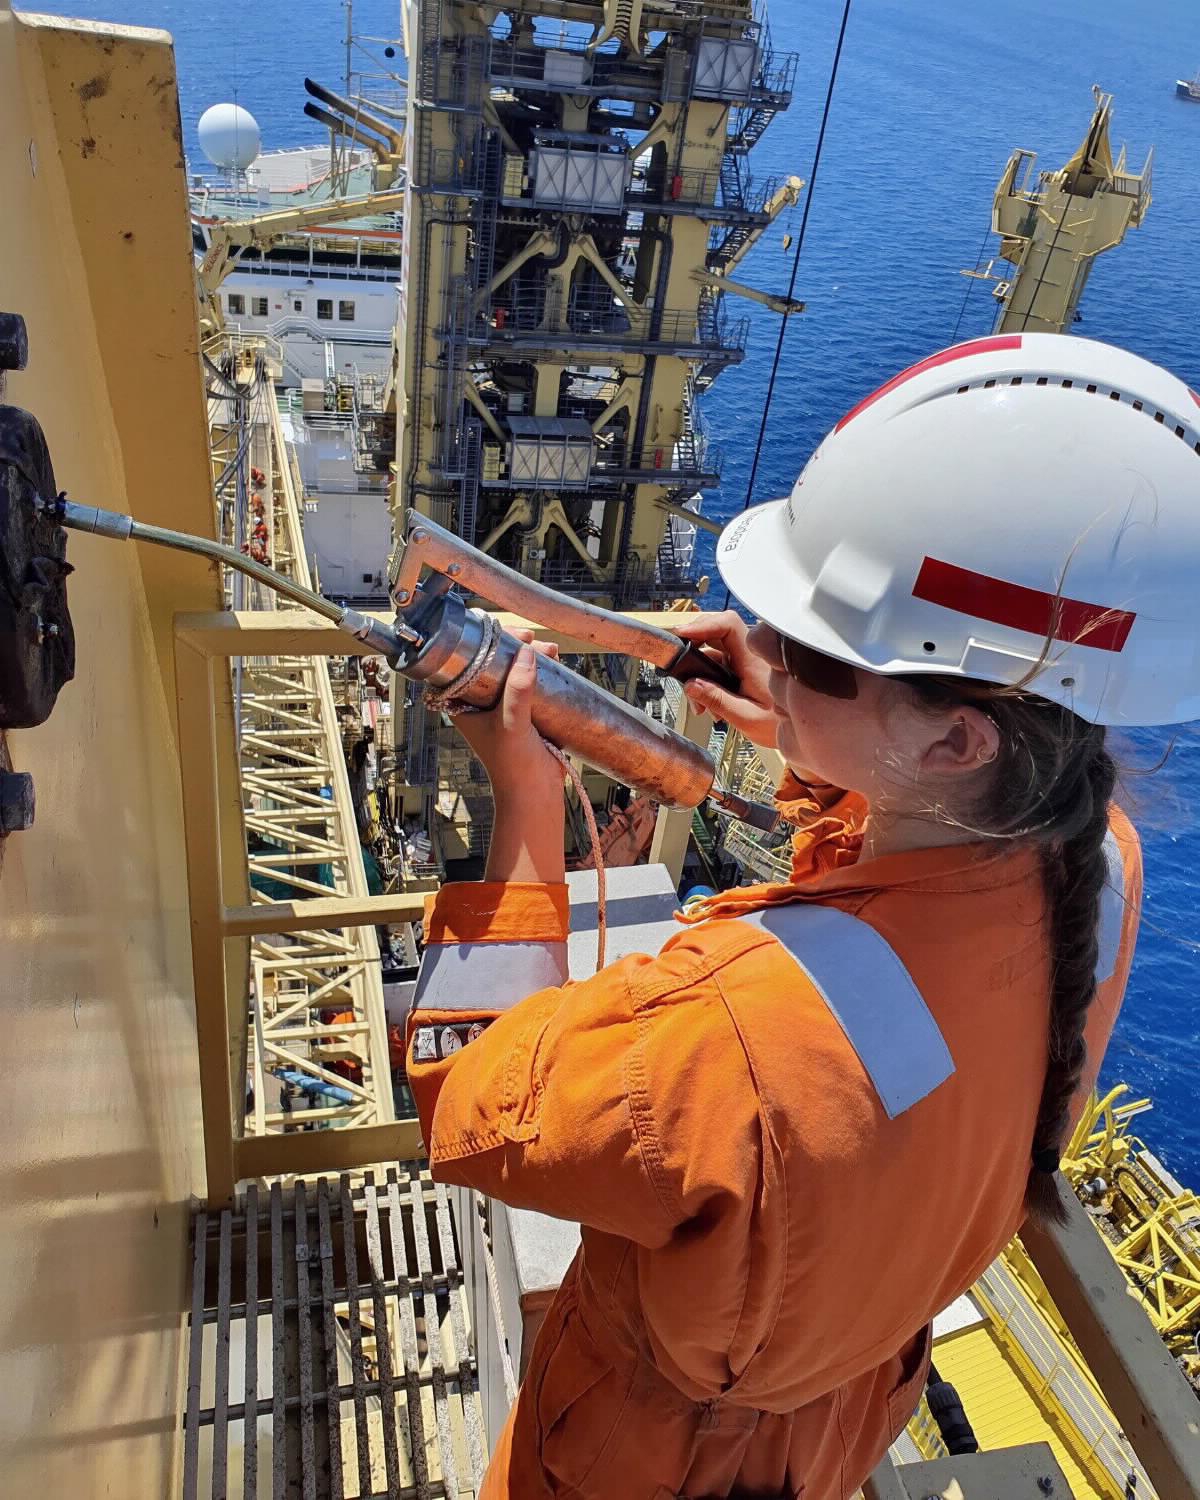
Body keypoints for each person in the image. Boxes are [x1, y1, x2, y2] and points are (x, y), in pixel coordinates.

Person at [404, 334, 1200, 1499]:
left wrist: (524, 799)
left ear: (958, 741)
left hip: (662, 1455)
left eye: (812, 654)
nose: (762, 651)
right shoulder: (1100, 858)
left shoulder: (734, 1030)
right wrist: (802, 715)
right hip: (850, 1389)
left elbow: (468, 1102)